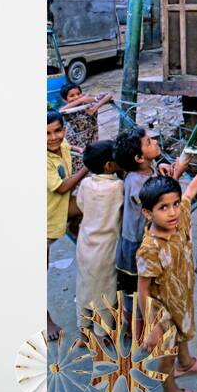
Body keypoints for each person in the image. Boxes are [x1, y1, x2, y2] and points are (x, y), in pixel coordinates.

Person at [135, 148, 197, 392]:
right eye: (163, 208)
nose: (173, 212)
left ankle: (185, 364)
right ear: (148, 214)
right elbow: (142, 289)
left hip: (181, 294)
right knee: (167, 351)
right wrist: (151, 325)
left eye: (173, 205)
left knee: (184, 331)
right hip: (161, 310)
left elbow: (190, 193)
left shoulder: (179, 219)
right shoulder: (149, 248)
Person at [113, 126, 169, 313]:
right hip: (136, 243)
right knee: (134, 287)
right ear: (139, 158)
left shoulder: (145, 170)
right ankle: (134, 322)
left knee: (145, 283)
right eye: (149, 142)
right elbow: (159, 203)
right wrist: (174, 177)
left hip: (144, 239)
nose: (155, 142)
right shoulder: (137, 183)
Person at [47, 112, 90, 338]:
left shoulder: (61, 143)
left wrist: (80, 151)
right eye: (47, 134)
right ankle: (45, 319)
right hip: (44, 221)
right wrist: (87, 168)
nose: (53, 137)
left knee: (90, 204)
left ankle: (77, 231)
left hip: (62, 209)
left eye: (57, 131)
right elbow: (62, 188)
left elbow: (67, 145)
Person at [74, 140, 123, 333]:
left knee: (85, 285)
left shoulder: (86, 183)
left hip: (85, 244)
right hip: (106, 248)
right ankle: (101, 332)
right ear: (109, 165)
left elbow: (81, 205)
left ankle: (83, 327)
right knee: (104, 290)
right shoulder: (118, 186)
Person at [59, 83, 113, 169]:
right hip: (77, 141)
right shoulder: (69, 109)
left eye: (78, 94)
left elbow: (109, 95)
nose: (76, 97)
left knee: (94, 162)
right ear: (65, 99)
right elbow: (60, 111)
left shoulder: (89, 102)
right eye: (72, 96)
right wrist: (81, 100)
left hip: (92, 137)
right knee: (79, 164)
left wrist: (96, 106)